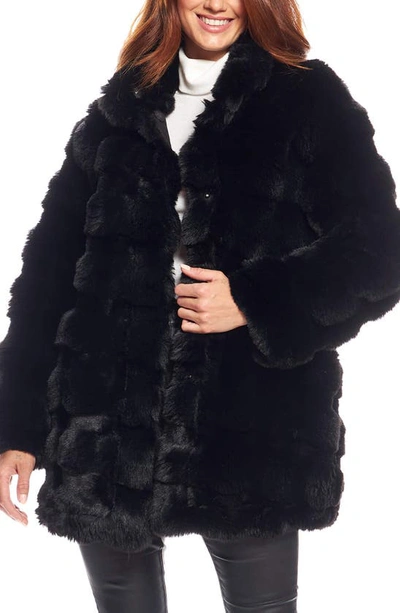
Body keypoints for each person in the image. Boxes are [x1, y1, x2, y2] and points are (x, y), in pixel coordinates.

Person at [1, 0, 400, 611]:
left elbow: (380, 248)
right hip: (106, 425)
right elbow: (46, 280)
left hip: (249, 417)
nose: (216, 3)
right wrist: (17, 426)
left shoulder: (305, 98)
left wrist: (253, 301)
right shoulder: (121, 110)